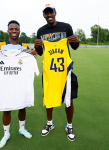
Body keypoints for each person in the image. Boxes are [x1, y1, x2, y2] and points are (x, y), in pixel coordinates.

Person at [0, 20, 37, 148]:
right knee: (6, 108)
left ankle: (22, 129)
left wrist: (34, 55)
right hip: (5, 84)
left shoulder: (25, 47)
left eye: (16, 29)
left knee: (22, 106)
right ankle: (6, 133)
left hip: (21, 84)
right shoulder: (0, 46)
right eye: (11, 29)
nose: (14, 31)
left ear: (19, 31)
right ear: (8, 31)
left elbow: (30, 63)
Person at [34, 4, 80, 141]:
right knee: (48, 98)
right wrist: (37, 47)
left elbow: (74, 47)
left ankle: (69, 125)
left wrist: (76, 41)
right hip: (49, 71)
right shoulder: (41, 31)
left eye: (51, 12)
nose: (49, 15)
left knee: (69, 100)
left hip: (65, 71)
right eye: (46, 13)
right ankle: (50, 123)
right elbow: (40, 53)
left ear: (55, 13)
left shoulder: (66, 27)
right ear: (44, 15)